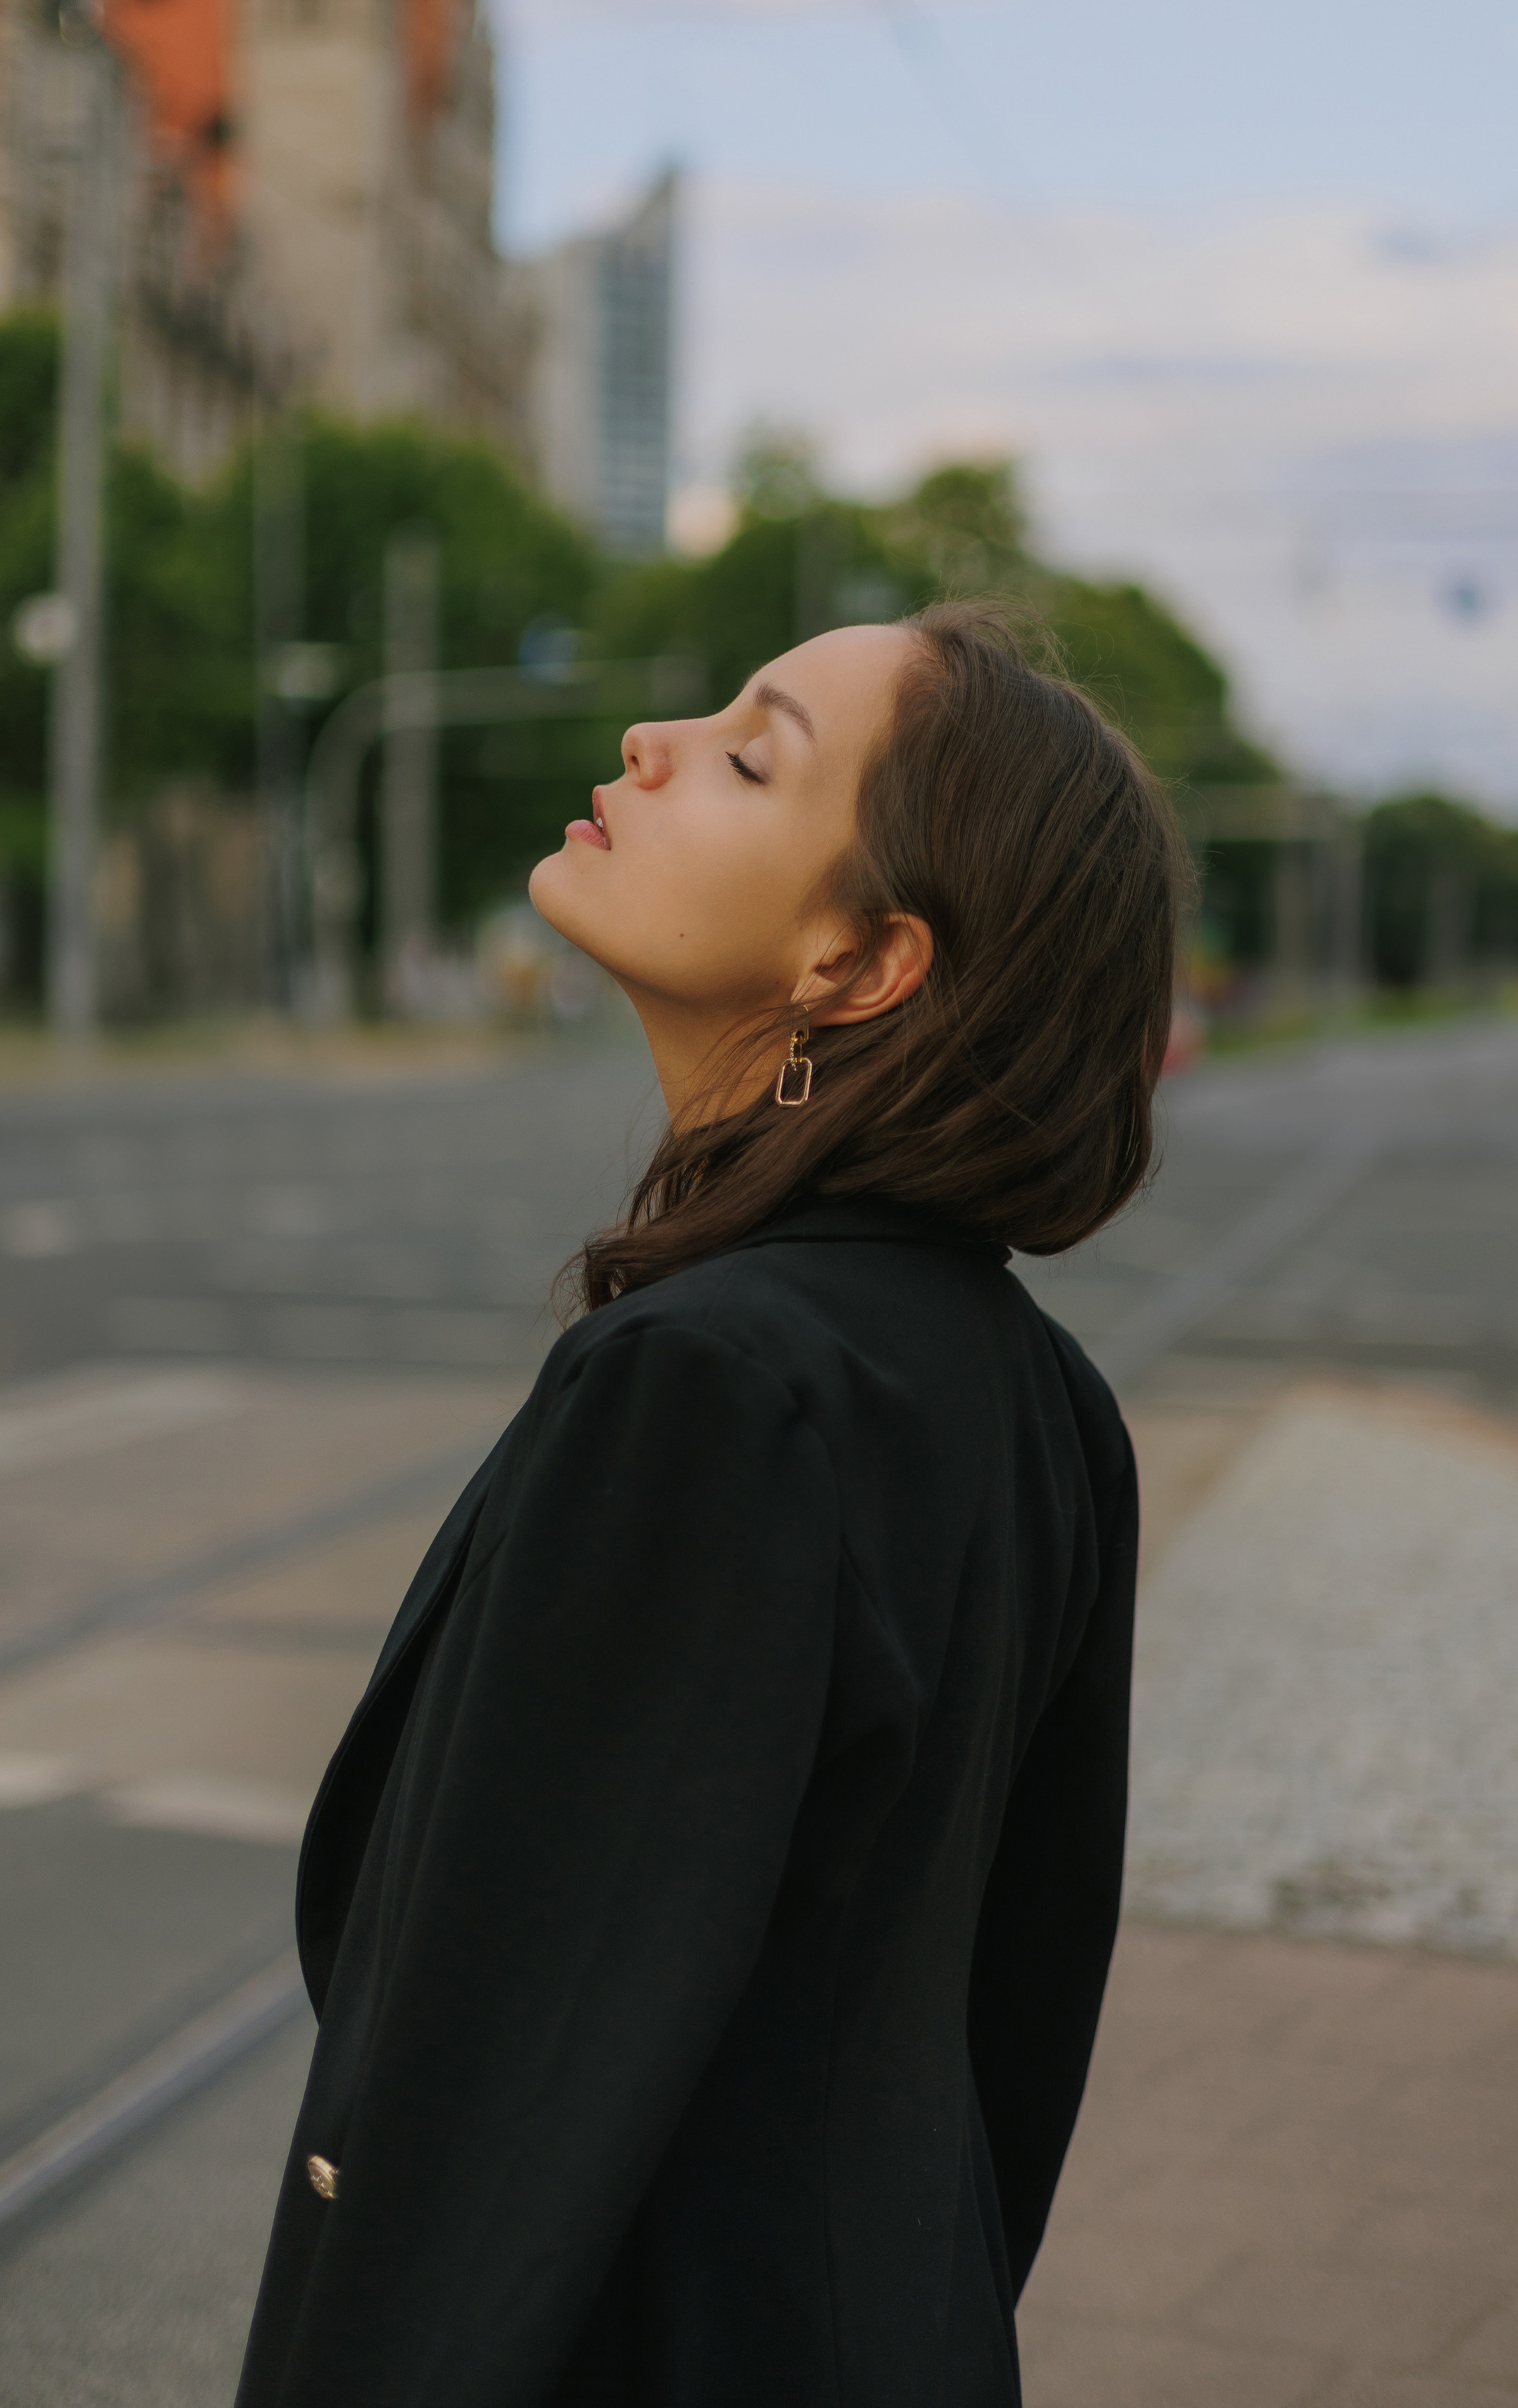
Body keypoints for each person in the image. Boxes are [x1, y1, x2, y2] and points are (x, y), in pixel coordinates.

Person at [235, 600, 1186, 2408]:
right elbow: (1016, 2026)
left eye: (752, 754)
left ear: (859, 964)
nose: (649, 745)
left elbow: (485, 2090)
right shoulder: (1035, 1395)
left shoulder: (707, 1388)